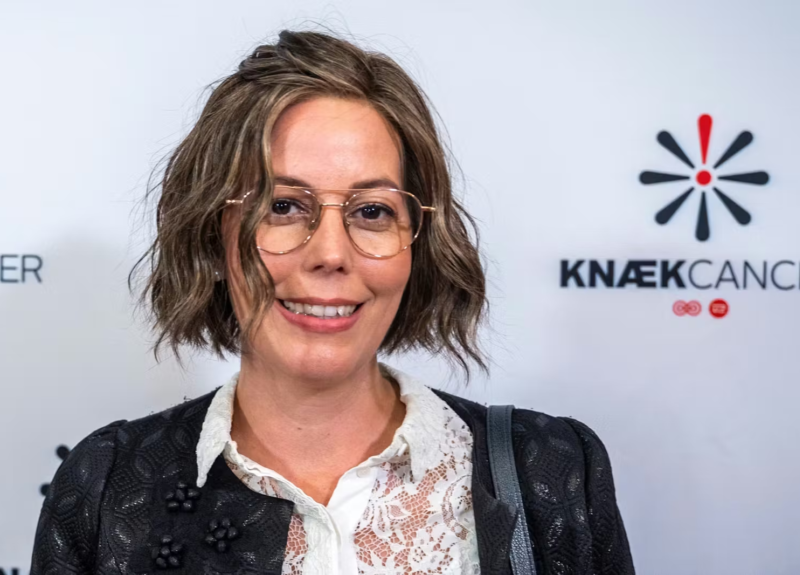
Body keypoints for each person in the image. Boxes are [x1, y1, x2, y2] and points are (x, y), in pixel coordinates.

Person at [31, 29, 634, 575]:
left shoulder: (554, 470)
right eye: (282, 206)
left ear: (418, 244)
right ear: (213, 236)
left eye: (372, 211)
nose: (330, 253)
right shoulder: (106, 486)